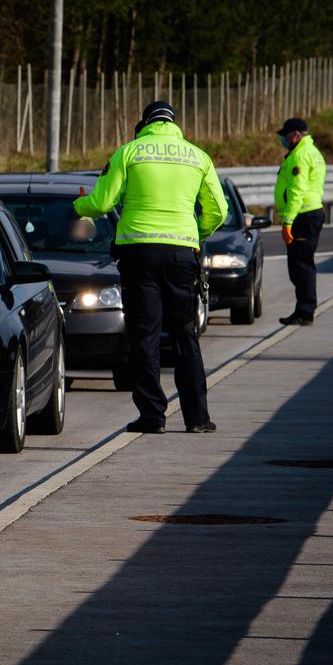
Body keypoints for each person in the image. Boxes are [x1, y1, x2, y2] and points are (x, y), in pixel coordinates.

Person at [73, 101, 227, 434]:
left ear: (144, 123)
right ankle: (198, 418)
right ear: (174, 123)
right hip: (181, 255)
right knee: (186, 335)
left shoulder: (129, 152)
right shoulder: (198, 156)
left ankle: (153, 416)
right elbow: (219, 211)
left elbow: (101, 203)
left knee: (145, 336)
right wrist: (193, 233)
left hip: (138, 256)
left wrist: (78, 205)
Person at [273, 117, 327, 325]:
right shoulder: (311, 152)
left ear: (296, 135)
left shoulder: (300, 156)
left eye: (286, 136)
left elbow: (297, 190)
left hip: (302, 216)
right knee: (300, 264)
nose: (284, 141)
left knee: (301, 265)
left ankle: (305, 311)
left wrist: (287, 220)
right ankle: (303, 309)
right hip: (308, 214)